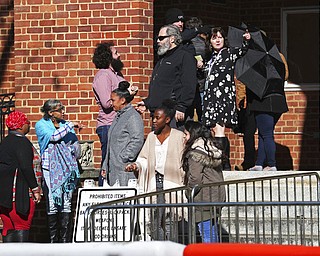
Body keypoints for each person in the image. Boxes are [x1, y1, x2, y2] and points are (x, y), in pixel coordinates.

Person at [125, 99, 185, 241]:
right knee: (155, 219)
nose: (154, 121)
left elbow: (183, 160)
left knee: (171, 219)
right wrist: (136, 166)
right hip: (155, 182)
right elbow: (144, 158)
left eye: (158, 118)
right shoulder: (152, 137)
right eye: (153, 117)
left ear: (167, 119)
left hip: (171, 182)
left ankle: (173, 248)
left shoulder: (178, 136)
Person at [202, 27, 251, 170]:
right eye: (214, 38)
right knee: (213, 129)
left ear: (224, 39)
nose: (217, 40)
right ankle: (221, 161)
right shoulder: (210, 58)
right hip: (211, 97)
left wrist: (246, 40)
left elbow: (242, 50)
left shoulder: (229, 53)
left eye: (220, 37)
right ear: (210, 42)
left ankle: (223, 163)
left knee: (219, 129)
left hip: (223, 96)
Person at [35, 99, 83, 243]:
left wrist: (73, 148)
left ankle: (64, 241)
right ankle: (53, 242)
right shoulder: (41, 125)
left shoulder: (65, 125)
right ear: (51, 113)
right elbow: (54, 137)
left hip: (67, 169)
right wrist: (70, 125)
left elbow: (75, 147)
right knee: (52, 203)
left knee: (66, 203)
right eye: (60, 109)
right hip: (50, 169)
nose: (63, 111)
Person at [136, 24, 197, 131]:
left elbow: (189, 84)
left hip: (174, 115)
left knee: (174, 146)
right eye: (157, 38)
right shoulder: (163, 59)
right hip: (158, 114)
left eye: (161, 38)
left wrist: (182, 106)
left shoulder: (184, 56)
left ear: (172, 38)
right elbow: (161, 86)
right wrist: (147, 103)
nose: (158, 41)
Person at [0, 111, 42, 242]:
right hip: (20, 194)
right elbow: (25, 167)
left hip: (3, 196)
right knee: (22, 226)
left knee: (8, 227)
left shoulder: (4, 142)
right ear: (20, 126)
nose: (29, 126)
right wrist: (35, 189)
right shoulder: (22, 142)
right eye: (27, 123)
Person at [182, 120, 225, 242]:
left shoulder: (195, 153)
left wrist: (188, 191)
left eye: (186, 134)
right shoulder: (211, 148)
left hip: (204, 198)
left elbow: (195, 178)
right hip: (216, 195)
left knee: (206, 233)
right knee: (212, 231)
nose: (184, 137)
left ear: (193, 134)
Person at [248, 52, 289, 172]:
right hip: (278, 101)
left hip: (263, 102)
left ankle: (271, 164)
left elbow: (253, 81)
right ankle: (259, 163)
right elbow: (286, 75)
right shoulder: (278, 58)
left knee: (266, 134)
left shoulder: (257, 60)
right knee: (264, 133)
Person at [92, 42, 125, 186]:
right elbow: (106, 103)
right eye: (116, 53)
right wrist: (126, 95)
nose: (119, 56)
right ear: (108, 58)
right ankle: (103, 192)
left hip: (120, 124)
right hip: (108, 125)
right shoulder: (103, 76)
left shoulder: (116, 75)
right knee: (108, 161)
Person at [101, 81, 144, 187]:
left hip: (124, 170)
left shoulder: (132, 116)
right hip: (113, 170)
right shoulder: (117, 116)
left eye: (113, 100)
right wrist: (105, 165)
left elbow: (137, 139)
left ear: (123, 100)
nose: (111, 103)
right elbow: (111, 143)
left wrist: (124, 157)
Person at [185, 17, 211, 121]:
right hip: (202, 83)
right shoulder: (203, 43)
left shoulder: (185, 43)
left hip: (188, 85)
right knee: (203, 116)